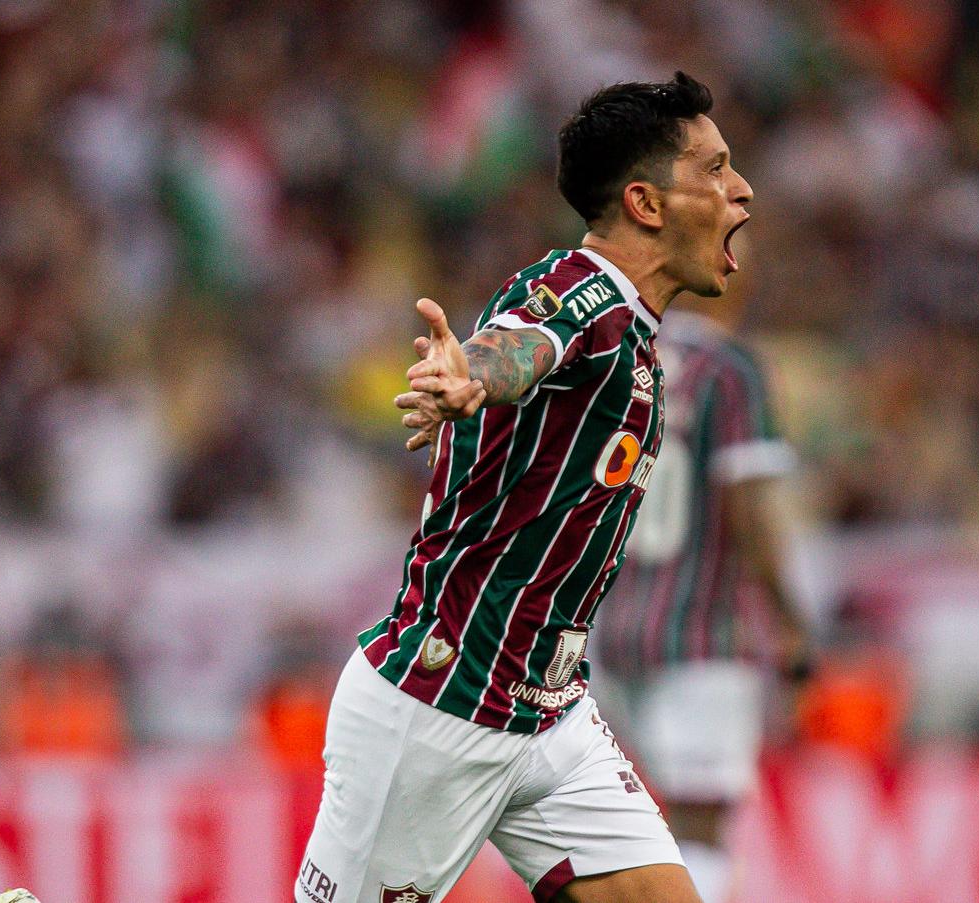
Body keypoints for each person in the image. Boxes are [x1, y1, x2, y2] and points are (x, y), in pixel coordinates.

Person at [297, 72, 752, 903]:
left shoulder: (636, 332)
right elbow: (525, 344)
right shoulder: (585, 294)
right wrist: (470, 372)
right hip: (445, 704)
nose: (741, 190)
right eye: (716, 169)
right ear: (646, 203)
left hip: (548, 713)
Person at [593, 257, 810, 902]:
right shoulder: (729, 370)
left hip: (614, 630)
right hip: (703, 636)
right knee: (701, 826)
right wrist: (789, 618)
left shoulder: (617, 360)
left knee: (632, 827)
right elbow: (749, 505)